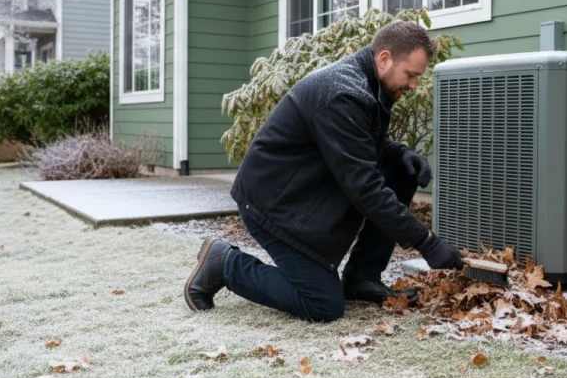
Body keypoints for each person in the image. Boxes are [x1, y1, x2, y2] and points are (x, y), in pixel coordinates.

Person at [184, 20, 465, 322]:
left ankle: (362, 278)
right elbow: (364, 188)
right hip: (273, 205)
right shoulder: (343, 95)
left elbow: (360, 142)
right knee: (323, 304)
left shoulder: (367, 84)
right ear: (385, 59)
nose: (413, 85)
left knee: (400, 169)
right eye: (411, 75)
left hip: (305, 191)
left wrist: (400, 153)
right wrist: (427, 243)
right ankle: (224, 263)